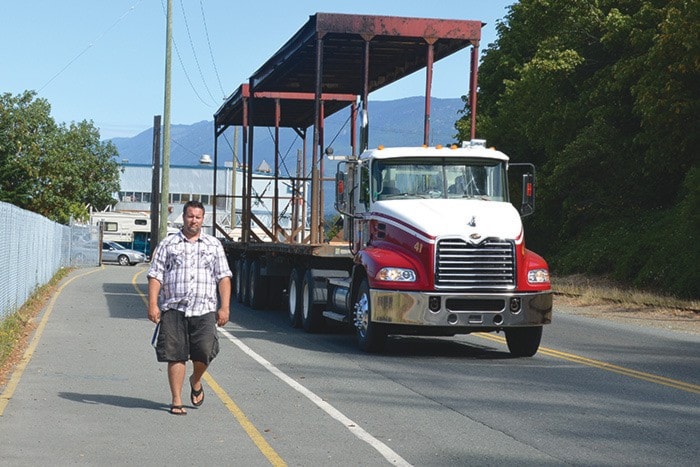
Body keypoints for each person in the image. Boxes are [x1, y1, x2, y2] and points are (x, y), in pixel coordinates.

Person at [147, 200, 232, 415]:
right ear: (183, 217)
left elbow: (223, 277)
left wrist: (225, 308)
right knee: (175, 354)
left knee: (204, 352)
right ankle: (176, 400)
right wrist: (153, 304)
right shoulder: (168, 244)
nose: (193, 220)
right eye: (190, 216)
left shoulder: (213, 245)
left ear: (203, 219)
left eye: (198, 217)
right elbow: (156, 275)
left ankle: (196, 379)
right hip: (174, 308)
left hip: (204, 309)